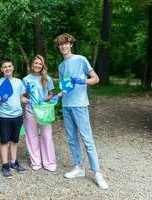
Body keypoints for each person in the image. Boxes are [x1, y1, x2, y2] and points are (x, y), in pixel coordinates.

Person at [52, 33, 108, 190]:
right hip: (66, 105)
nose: (63, 46)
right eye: (60, 44)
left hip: (80, 105)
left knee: (87, 139)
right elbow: (65, 87)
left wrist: (83, 81)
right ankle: (79, 168)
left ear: (71, 44)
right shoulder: (61, 66)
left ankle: (97, 173)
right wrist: (58, 95)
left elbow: (96, 78)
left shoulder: (81, 59)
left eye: (66, 43)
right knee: (71, 138)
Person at [0, 58, 28, 178]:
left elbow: (21, 98)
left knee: (14, 140)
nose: (7, 68)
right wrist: (2, 99)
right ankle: (5, 165)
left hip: (17, 116)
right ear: (1, 69)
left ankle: (14, 162)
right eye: (5, 67)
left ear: (13, 67)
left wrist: (30, 101)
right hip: (4, 117)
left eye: (9, 66)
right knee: (4, 141)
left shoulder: (18, 82)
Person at [22, 55, 57, 172]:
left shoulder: (47, 78)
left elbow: (52, 93)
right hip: (30, 110)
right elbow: (22, 97)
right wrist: (27, 94)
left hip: (44, 110)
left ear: (43, 66)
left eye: (40, 64)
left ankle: (49, 162)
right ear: (32, 64)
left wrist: (44, 99)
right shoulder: (26, 79)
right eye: (36, 63)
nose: (37, 65)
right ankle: (36, 162)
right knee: (31, 136)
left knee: (47, 136)